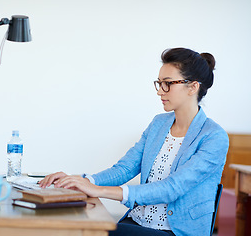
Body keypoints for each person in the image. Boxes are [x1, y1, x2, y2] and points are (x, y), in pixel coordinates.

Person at [39, 48, 229, 236]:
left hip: (175, 231)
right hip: (137, 222)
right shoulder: (159, 124)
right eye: (159, 83)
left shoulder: (214, 137)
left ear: (193, 87)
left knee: (88, 230)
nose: (160, 91)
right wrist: (82, 181)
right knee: (76, 222)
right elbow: (125, 168)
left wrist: (97, 190)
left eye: (168, 84)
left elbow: (172, 188)